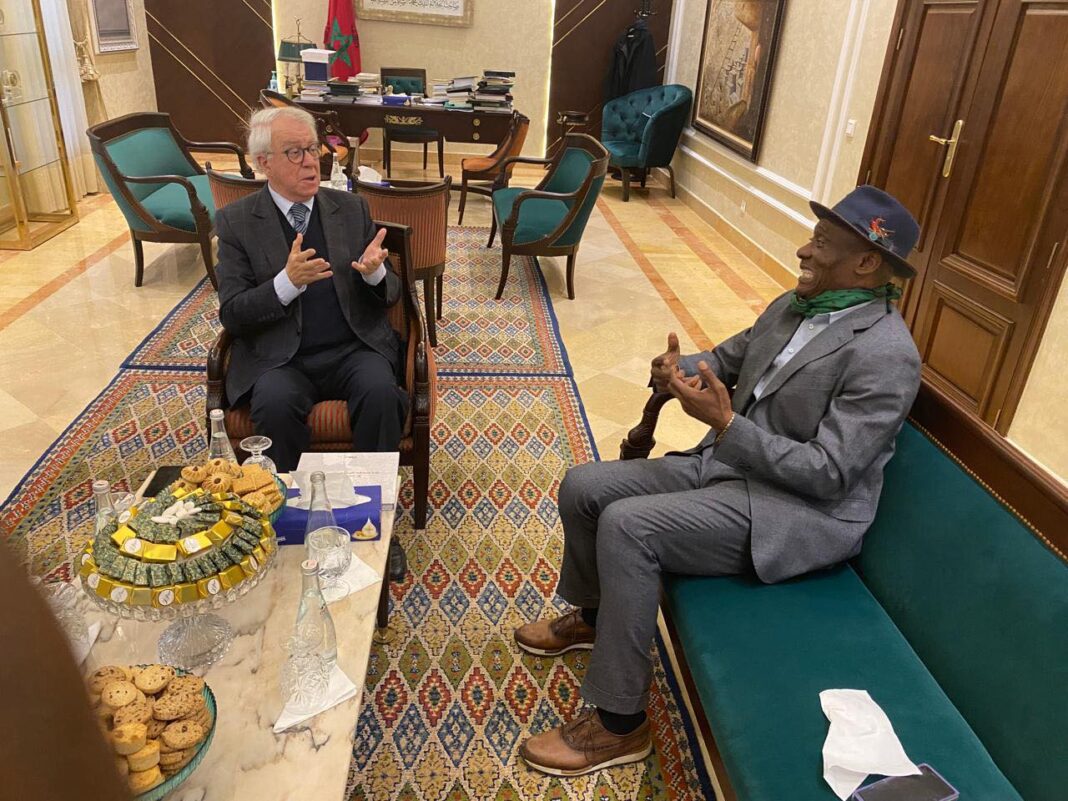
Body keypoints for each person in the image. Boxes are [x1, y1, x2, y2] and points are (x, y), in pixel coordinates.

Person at [514, 186, 924, 776]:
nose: (804, 250)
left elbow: (830, 473)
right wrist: (677, 368)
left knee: (629, 527)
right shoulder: (795, 305)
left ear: (865, 262)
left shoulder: (886, 354)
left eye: (821, 243)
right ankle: (597, 618)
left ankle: (619, 725)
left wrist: (728, 426)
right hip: (734, 468)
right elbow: (727, 360)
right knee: (584, 486)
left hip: (797, 510)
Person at [216, 106, 407, 472]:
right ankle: (290, 502)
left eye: (313, 148)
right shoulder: (237, 222)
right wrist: (286, 284)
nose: (310, 162)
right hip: (280, 359)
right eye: (294, 152)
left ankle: (372, 500)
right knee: (274, 406)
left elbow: (392, 293)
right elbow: (233, 314)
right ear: (263, 162)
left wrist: (375, 274)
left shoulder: (351, 209)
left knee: (381, 393)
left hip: (353, 350)